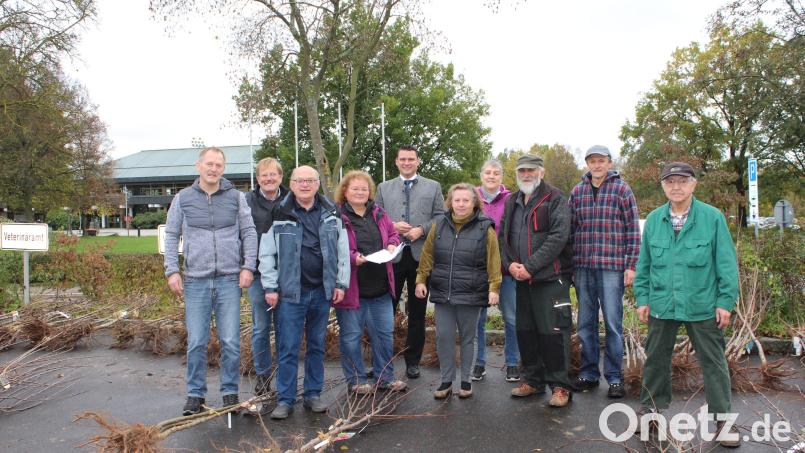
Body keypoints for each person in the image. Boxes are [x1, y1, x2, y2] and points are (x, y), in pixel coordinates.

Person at [634, 162, 740, 447]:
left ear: (694, 185)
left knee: (714, 362)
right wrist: (642, 298)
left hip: (702, 303)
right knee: (655, 359)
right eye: (670, 182)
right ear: (663, 186)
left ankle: (724, 421)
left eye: (683, 181)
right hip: (661, 303)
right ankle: (651, 412)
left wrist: (725, 302)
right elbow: (643, 265)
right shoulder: (655, 219)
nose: (676, 187)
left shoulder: (712, 218)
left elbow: (727, 264)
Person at [164, 147, 257, 416]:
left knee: (230, 340)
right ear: (199, 166)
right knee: (196, 341)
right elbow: (171, 235)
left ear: (223, 169)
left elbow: (249, 233)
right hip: (195, 281)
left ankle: (230, 393)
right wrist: (172, 270)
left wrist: (248, 267)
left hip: (229, 279)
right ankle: (195, 395)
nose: (213, 169)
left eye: (218, 165)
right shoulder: (182, 199)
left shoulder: (236, 198)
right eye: (209, 164)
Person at [258, 165, 349, 420]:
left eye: (310, 180)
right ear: (292, 183)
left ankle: (312, 394)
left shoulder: (332, 212)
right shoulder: (279, 212)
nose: (305, 185)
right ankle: (285, 399)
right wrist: (270, 287)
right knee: (287, 348)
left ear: (318, 184)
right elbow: (266, 253)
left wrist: (340, 283)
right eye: (300, 181)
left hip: (321, 292)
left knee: (317, 346)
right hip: (289, 294)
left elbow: (343, 251)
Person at [498, 154, 575, 407]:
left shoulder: (555, 198)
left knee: (554, 334)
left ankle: (560, 386)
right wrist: (510, 264)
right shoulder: (512, 201)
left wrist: (529, 267)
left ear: (541, 172)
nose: (526, 174)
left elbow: (558, 237)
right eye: (522, 171)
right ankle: (533, 380)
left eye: (531, 170)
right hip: (521, 279)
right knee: (526, 332)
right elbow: (503, 237)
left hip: (550, 278)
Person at [415, 183, 501, 399]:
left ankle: (466, 380)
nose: (461, 204)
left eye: (466, 200)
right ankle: (446, 381)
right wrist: (420, 280)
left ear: (474, 203)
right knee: (443, 337)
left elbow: (494, 260)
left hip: (472, 292)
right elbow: (427, 254)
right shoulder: (439, 225)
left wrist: (494, 287)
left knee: (468, 337)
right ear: (450, 202)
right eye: (457, 200)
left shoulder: (485, 228)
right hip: (443, 291)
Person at [568, 145, 640, 399]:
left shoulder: (621, 189)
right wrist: (570, 266)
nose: (597, 165)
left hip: (612, 266)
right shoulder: (577, 192)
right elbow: (570, 231)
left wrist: (631, 265)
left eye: (601, 161)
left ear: (609, 163)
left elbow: (633, 229)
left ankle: (614, 377)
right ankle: (588, 374)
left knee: (612, 323)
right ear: (587, 164)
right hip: (584, 266)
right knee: (585, 324)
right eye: (592, 161)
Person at [335, 171, 408, 394]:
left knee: (384, 334)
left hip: (380, 288)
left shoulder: (378, 212)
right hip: (352, 288)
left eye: (364, 188)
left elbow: (393, 234)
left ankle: (385, 377)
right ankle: (356, 380)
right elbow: (330, 247)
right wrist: (352, 257)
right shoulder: (336, 216)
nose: (360, 192)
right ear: (345, 191)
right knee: (351, 336)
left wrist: (393, 246)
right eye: (355, 188)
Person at [375, 145, 445, 379]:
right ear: (396, 162)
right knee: (386, 310)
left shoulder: (433, 187)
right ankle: (383, 360)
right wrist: (391, 226)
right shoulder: (384, 188)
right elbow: (375, 217)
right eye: (402, 159)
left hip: (420, 257)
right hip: (392, 256)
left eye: (411, 159)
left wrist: (421, 230)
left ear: (418, 161)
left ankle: (413, 361)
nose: (407, 163)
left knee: (417, 312)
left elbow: (440, 217)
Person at [244, 157, 288, 406]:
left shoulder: (291, 199)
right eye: (264, 175)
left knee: (285, 328)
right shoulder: (247, 202)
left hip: (287, 276)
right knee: (261, 328)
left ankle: (284, 377)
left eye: (273, 175)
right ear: (257, 178)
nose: (269, 179)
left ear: (281, 177)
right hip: (258, 276)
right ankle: (263, 376)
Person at [472, 159, 521, 382]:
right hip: (479, 270)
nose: (491, 176)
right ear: (481, 175)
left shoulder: (512, 200)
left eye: (496, 173)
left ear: (502, 177)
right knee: (477, 320)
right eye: (488, 173)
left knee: (511, 319)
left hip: (506, 270)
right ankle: (478, 363)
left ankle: (512, 362)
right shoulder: (471, 198)